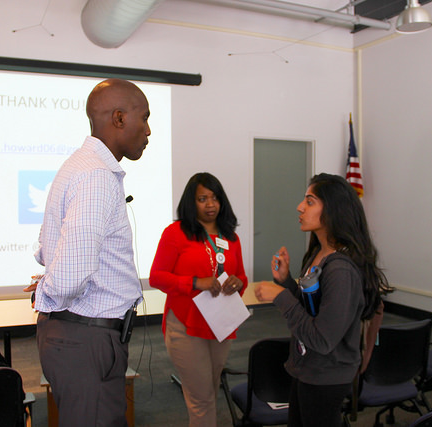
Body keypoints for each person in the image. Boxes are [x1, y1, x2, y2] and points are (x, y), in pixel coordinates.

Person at [27, 78, 150, 427]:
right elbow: (69, 276)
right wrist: (48, 290)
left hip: (81, 338)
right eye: (145, 117)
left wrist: (48, 282)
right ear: (120, 118)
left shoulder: (81, 166)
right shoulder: (96, 175)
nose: (149, 130)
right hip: (87, 340)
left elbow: (44, 244)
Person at [254, 173, 392, 427]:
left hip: (326, 375)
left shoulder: (341, 270)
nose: (300, 207)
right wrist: (286, 282)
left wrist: (282, 296)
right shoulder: (319, 254)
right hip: (308, 368)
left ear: (332, 210)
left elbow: (322, 338)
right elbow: (312, 310)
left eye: (310, 201)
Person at [149, 172, 248, 427]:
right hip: (185, 325)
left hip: (220, 325)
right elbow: (156, 277)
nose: (210, 204)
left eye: (214, 198)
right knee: (202, 399)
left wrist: (238, 283)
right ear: (191, 203)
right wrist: (194, 282)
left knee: (209, 392)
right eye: (202, 199)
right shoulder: (176, 233)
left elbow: (242, 278)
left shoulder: (230, 237)